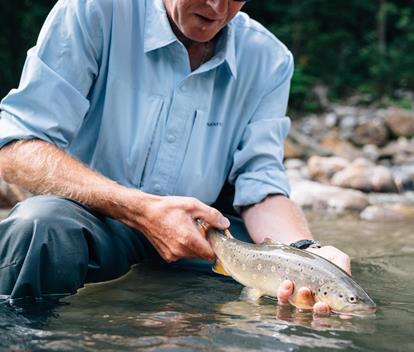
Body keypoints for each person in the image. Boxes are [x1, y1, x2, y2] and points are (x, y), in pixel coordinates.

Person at [0, 0, 350, 312]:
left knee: (298, 294)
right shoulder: (91, 11)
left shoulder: (270, 59)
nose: (216, 6)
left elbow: (260, 184)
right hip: (99, 217)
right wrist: (139, 209)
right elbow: (15, 146)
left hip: (205, 238)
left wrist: (307, 253)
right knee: (36, 228)